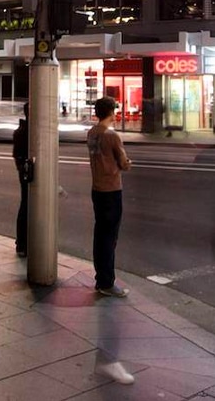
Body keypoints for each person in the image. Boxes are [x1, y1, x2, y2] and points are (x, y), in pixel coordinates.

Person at [87, 96, 132, 298]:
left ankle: (101, 278)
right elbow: (123, 163)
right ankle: (107, 282)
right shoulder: (112, 136)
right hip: (112, 190)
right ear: (111, 112)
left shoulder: (92, 133)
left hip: (97, 189)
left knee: (100, 235)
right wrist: (127, 163)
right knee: (110, 238)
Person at [12, 103, 30, 258]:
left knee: (25, 204)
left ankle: (22, 243)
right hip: (28, 172)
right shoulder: (27, 132)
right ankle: (23, 242)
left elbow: (16, 155)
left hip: (23, 172)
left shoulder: (19, 131)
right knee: (27, 205)